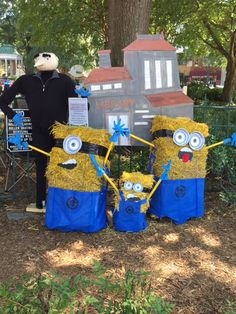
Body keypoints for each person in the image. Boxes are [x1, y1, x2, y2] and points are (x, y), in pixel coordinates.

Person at [0, 52, 78, 208]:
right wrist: (12, 115)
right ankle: (40, 200)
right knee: (41, 166)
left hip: (60, 132)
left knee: (62, 166)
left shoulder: (65, 81)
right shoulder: (26, 81)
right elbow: (2, 101)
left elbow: (76, 104)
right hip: (38, 131)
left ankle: (62, 202)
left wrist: (83, 101)